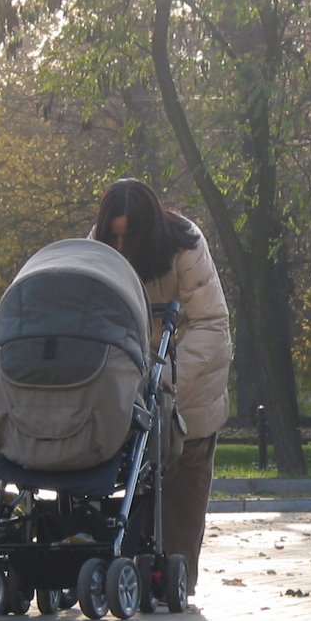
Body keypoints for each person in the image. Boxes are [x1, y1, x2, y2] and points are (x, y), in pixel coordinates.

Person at [91, 177, 232, 592]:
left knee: (182, 494)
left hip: (185, 383)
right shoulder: (95, 249)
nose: (121, 247)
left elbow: (210, 323)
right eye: (113, 236)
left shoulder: (185, 246)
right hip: (125, 382)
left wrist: (165, 380)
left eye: (128, 237)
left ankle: (175, 577)